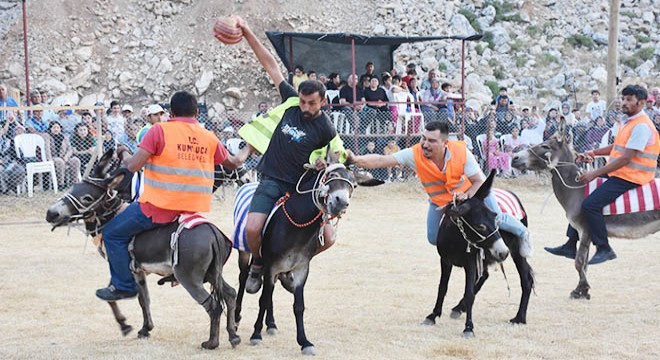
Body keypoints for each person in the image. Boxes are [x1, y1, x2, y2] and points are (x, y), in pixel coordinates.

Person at [95, 90, 248, 301]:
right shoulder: (209, 137)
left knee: (112, 233)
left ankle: (123, 285)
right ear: (196, 112)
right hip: (193, 209)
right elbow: (234, 162)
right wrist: (250, 148)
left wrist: (122, 151)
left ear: (171, 112)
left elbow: (133, 165)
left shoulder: (159, 131)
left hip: (158, 207)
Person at [233, 16, 344, 294]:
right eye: (303, 101)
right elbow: (270, 63)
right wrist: (247, 31)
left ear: (322, 102)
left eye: (311, 103)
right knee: (252, 229)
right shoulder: (291, 102)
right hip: (271, 180)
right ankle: (259, 264)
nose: (305, 107)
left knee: (329, 238)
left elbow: (335, 162)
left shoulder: (326, 128)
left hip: (299, 188)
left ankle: (293, 263)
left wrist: (322, 165)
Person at [347, 121, 530, 250]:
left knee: (496, 218)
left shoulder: (461, 152)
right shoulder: (414, 153)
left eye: (431, 141)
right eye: (423, 138)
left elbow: (478, 182)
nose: (425, 144)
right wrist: (356, 159)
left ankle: (523, 233)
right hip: (440, 200)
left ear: (444, 143)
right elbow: (382, 159)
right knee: (434, 238)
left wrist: (466, 197)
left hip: (473, 192)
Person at [545, 85, 660, 265]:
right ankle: (570, 244)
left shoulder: (642, 126)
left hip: (633, 176)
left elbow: (626, 157)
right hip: (621, 172)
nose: (624, 103)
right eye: (623, 99)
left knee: (590, 204)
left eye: (629, 100)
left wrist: (595, 173)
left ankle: (603, 247)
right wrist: (593, 153)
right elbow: (617, 148)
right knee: (582, 195)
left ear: (642, 103)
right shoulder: (628, 121)